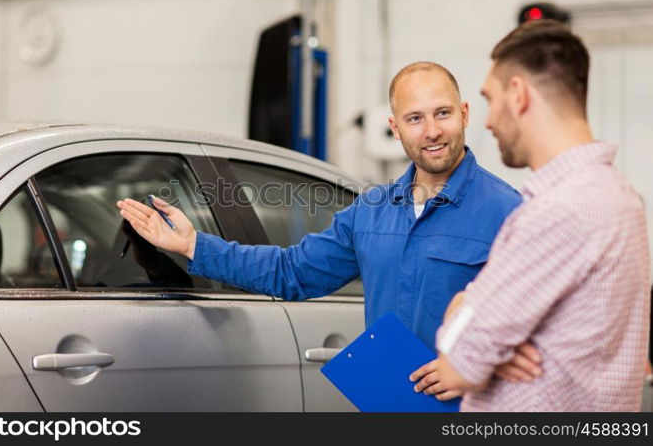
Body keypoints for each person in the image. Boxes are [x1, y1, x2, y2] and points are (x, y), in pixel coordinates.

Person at [117, 62, 528, 402]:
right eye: (415, 118)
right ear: (396, 127)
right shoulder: (370, 212)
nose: (432, 131)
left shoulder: (509, 212)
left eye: (443, 113)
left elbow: (545, 324)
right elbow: (291, 272)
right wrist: (193, 244)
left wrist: (477, 366)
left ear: (465, 114)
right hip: (389, 404)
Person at [429, 20, 651, 411]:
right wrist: (489, 339)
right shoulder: (619, 196)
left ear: (518, 95)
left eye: (490, 98)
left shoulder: (559, 211)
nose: (487, 120)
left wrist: (463, 305)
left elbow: (460, 359)